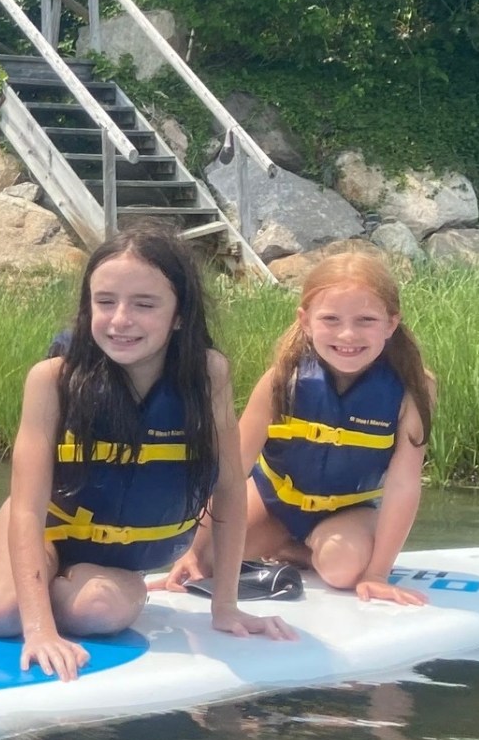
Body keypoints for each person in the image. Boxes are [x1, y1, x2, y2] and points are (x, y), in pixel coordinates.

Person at [0, 225, 294, 679]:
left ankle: (33, 587)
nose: (120, 319)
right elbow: (27, 510)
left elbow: (227, 490)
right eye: (104, 302)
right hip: (46, 528)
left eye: (144, 304)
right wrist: (39, 631)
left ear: (180, 314)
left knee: (98, 612)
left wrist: (225, 606)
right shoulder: (52, 380)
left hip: (119, 561)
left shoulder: (207, 375)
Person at [165, 249, 435, 605]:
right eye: (331, 319)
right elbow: (231, 471)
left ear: (391, 322)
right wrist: (193, 551)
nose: (348, 334)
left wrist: (377, 573)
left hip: (346, 512)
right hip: (272, 501)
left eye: (366, 320)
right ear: (305, 321)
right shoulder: (280, 381)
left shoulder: (414, 387)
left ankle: (304, 552)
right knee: (212, 559)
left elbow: (403, 483)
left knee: (343, 571)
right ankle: (284, 543)